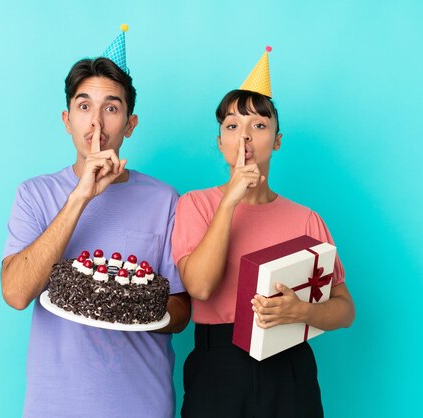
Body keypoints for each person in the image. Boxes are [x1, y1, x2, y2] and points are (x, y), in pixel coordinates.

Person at [1, 27, 190, 418]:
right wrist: (81, 197)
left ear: (131, 123)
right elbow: (17, 294)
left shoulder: (165, 199)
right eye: (85, 107)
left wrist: (122, 306)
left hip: (143, 404)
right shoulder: (34, 194)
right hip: (55, 405)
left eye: (112, 107)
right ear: (67, 118)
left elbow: (182, 312)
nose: (97, 123)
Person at [171, 48, 355, 417]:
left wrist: (300, 310)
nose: (245, 138)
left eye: (258, 125)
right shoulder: (196, 205)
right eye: (232, 126)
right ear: (220, 141)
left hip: (288, 366)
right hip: (217, 368)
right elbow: (201, 288)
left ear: (277, 140)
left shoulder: (306, 219)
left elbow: (344, 309)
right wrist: (230, 202)